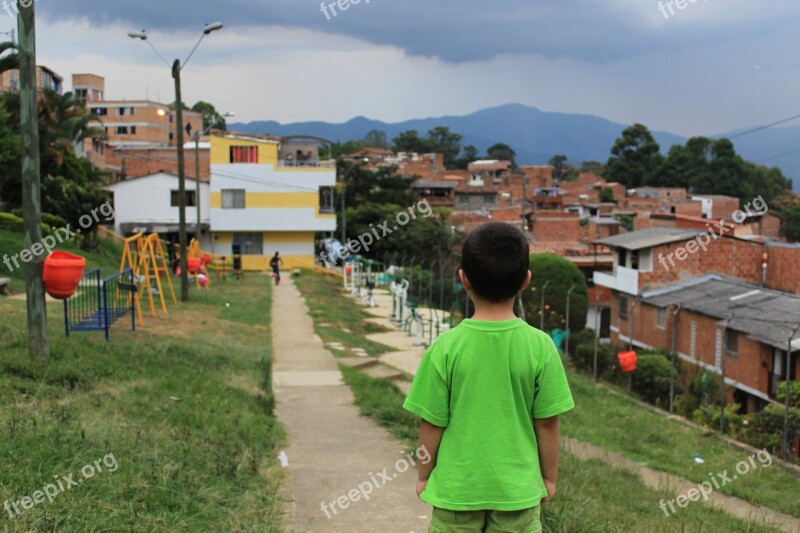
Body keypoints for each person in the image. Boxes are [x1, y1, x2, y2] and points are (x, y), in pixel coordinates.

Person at [403, 222, 574, 533]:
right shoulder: (541, 346)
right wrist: (548, 478)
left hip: (456, 492)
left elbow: (432, 423)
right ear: (526, 281)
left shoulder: (445, 347)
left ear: (463, 279)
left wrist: (424, 475)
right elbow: (548, 423)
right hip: (518, 492)